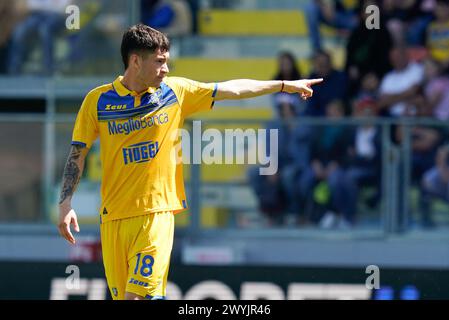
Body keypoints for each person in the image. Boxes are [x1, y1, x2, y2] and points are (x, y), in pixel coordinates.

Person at [57, 24, 323, 300]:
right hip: (113, 219)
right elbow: (78, 152)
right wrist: (65, 204)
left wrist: (282, 85)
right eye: (159, 62)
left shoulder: (175, 92)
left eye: (167, 62)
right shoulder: (97, 101)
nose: (166, 69)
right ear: (135, 61)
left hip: (155, 215)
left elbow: (232, 89)